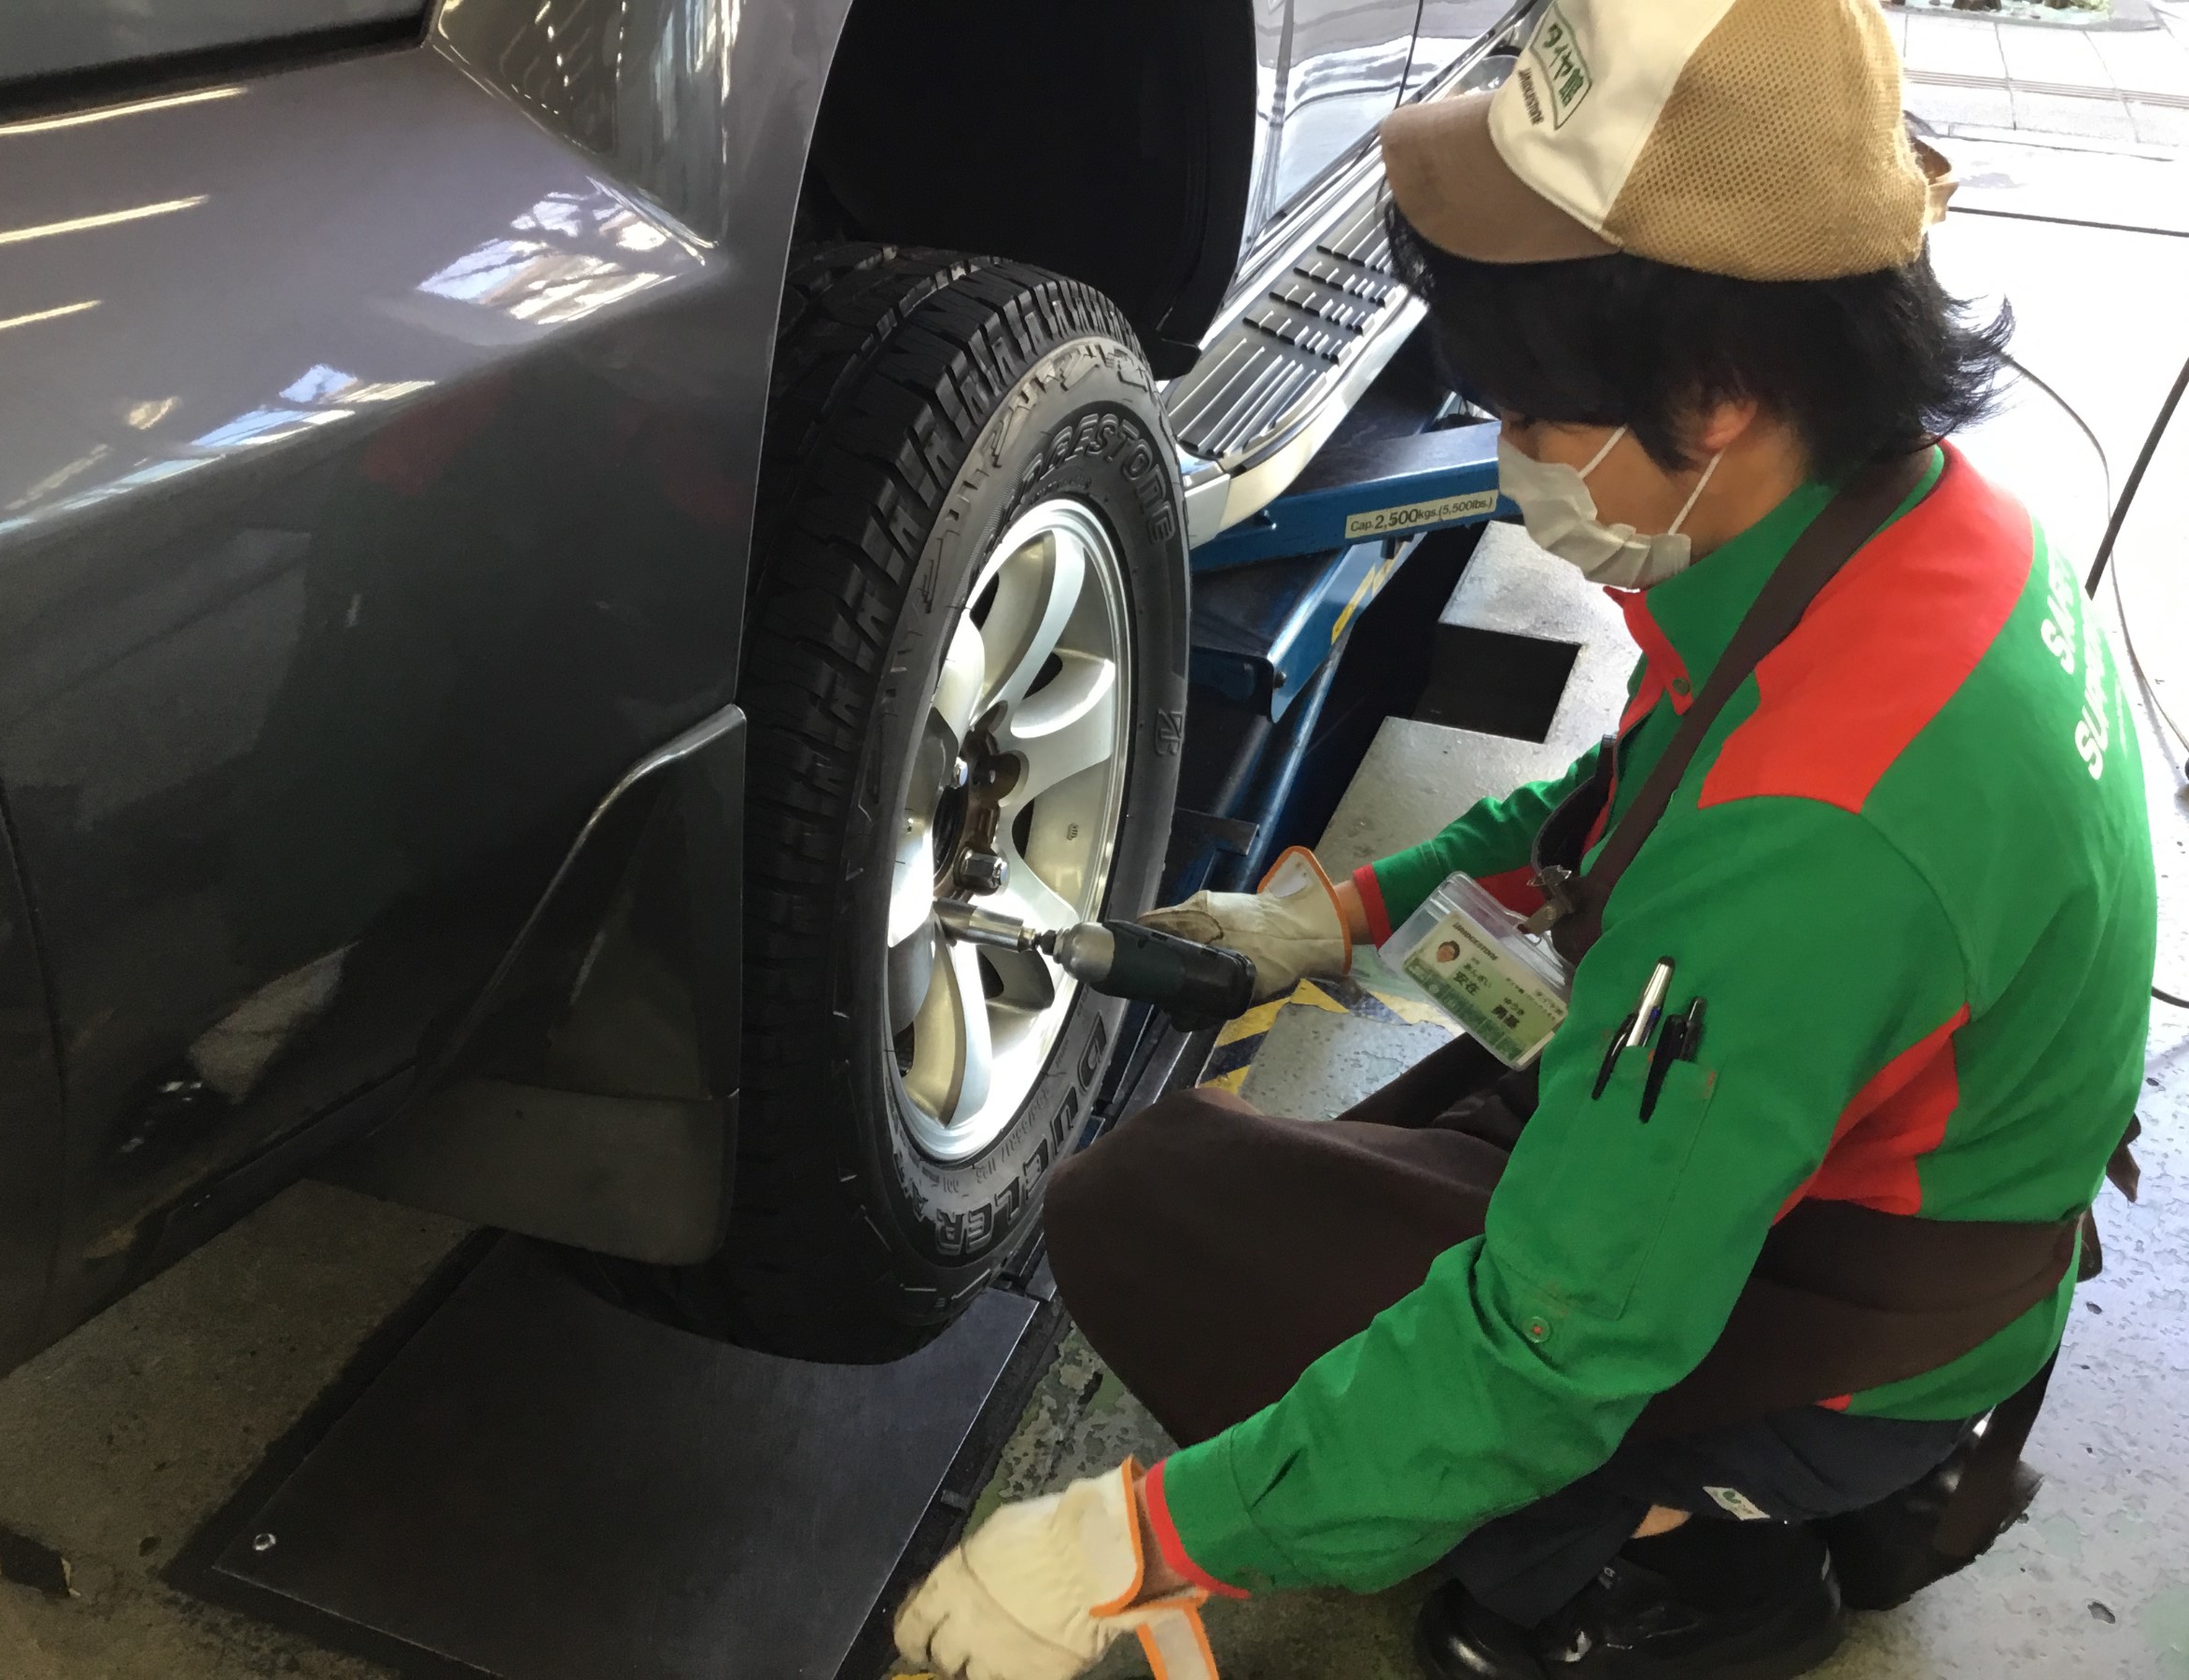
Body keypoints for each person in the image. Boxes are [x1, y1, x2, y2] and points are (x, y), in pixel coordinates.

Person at [893, 1, 2158, 1676]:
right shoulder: (1891, 535)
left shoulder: (1817, 840)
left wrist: (1144, 1541)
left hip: (1867, 1324)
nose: (1509, 463)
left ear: (1717, 390)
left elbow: (1558, 1346)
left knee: (1179, 1253)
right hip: (1843, 1163)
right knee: (1223, 1200)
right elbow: (1620, 802)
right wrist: (1340, 919)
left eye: (1536, 415)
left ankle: (1711, 1546)